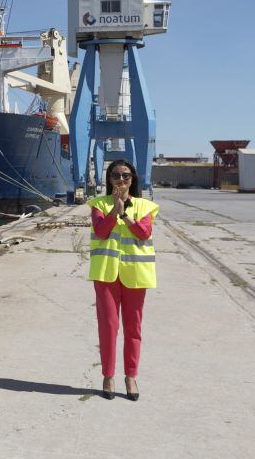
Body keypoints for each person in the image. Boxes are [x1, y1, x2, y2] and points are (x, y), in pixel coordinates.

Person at [87, 159, 159, 401]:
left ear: (133, 179)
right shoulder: (98, 204)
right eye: (116, 175)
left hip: (135, 275)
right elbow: (101, 231)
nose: (120, 180)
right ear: (108, 179)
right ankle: (108, 375)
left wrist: (125, 214)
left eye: (126, 176)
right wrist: (113, 211)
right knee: (108, 327)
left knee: (133, 328)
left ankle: (131, 376)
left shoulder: (145, 206)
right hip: (106, 274)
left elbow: (144, 232)